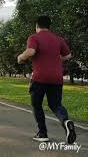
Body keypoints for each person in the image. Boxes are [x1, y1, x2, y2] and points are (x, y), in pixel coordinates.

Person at [17, 16, 76, 144]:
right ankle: (66, 121)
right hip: (56, 78)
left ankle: (42, 133)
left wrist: (20, 57)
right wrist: (56, 59)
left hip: (39, 78)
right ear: (49, 26)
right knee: (56, 104)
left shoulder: (34, 37)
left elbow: (31, 51)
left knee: (36, 104)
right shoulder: (58, 39)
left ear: (37, 26)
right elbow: (68, 55)